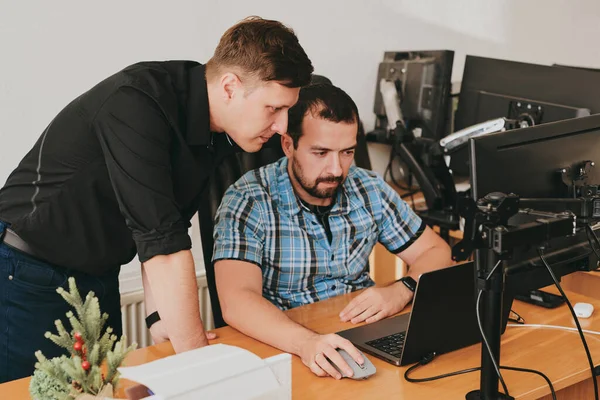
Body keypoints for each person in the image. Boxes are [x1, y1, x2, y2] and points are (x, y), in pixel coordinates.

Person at [0, 16, 313, 383]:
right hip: (26, 269)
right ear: (230, 86)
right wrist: (207, 374)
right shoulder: (137, 103)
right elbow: (162, 247)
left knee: (101, 392)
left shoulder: (213, 131)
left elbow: (166, 226)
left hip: (97, 277)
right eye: (273, 108)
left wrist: (157, 317)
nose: (281, 126)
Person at [212, 84, 453, 379]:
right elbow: (236, 302)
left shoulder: (368, 187)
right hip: (288, 348)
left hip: (364, 338)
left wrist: (402, 290)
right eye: (321, 152)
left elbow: (437, 251)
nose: (336, 169)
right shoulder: (248, 199)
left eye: (347, 152)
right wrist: (306, 343)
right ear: (288, 145)